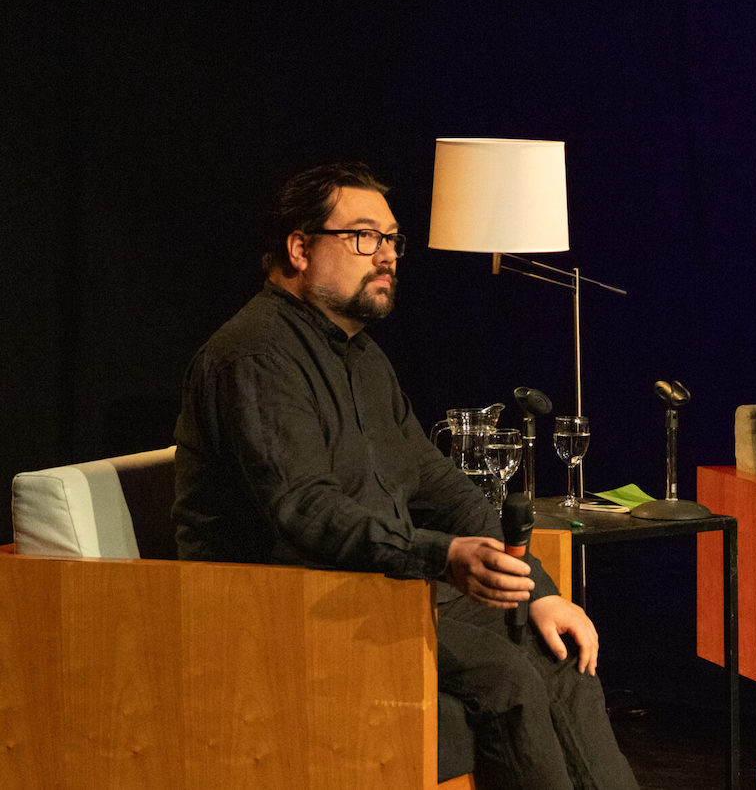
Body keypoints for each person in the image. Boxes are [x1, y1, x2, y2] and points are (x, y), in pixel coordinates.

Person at [172, 162, 639, 790]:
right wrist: (441, 555)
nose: (387, 255)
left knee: (558, 651)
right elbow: (304, 510)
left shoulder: (364, 358)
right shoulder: (253, 355)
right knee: (504, 676)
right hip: (279, 607)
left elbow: (435, 480)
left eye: (392, 239)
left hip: (373, 592)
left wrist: (539, 589)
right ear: (299, 248)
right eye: (364, 237)